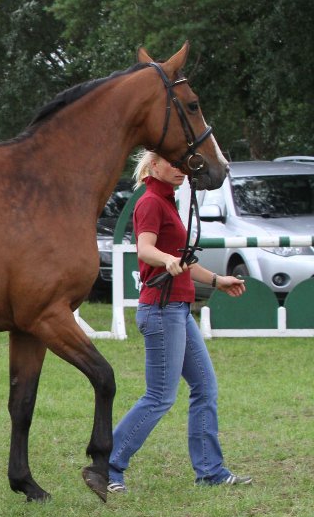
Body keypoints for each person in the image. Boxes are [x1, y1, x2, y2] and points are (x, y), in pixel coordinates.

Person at [107, 150, 250, 492]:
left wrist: (217, 280)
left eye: (182, 164)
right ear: (154, 165)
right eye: (172, 162)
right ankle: (108, 464)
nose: (180, 169)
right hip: (161, 309)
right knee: (159, 396)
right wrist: (166, 259)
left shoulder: (169, 201)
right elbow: (145, 248)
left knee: (205, 387)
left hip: (178, 309)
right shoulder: (151, 202)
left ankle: (210, 472)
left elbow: (183, 261)